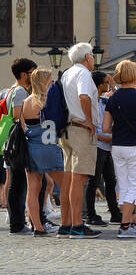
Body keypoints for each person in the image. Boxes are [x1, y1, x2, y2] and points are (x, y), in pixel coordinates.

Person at [102, 60, 136, 239]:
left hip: (117, 146)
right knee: (135, 185)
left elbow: (105, 127)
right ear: (134, 75)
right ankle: (125, 226)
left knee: (124, 185)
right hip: (134, 145)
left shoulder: (113, 98)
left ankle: (126, 223)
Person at [20, 69, 71, 237]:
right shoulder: (49, 100)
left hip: (32, 147)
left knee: (33, 189)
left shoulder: (27, 101)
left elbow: (23, 126)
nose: (52, 82)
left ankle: (37, 226)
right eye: (49, 80)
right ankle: (68, 221)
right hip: (49, 147)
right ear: (44, 81)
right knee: (66, 186)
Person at [57, 43, 99, 236]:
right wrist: (90, 122)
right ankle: (77, 225)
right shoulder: (83, 73)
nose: (92, 58)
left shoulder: (67, 73)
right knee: (79, 179)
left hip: (67, 129)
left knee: (68, 179)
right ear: (87, 57)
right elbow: (84, 97)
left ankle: (66, 224)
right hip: (81, 130)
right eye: (91, 55)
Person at [82, 71, 119, 226]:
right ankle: (89, 214)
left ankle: (115, 213)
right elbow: (95, 132)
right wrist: (113, 138)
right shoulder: (90, 102)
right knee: (94, 181)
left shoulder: (104, 101)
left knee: (110, 181)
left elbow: (119, 101)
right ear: (98, 84)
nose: (107, 84)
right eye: (105, 82)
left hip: (106, 146)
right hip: (96, 145)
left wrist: (113, 85)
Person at [5, 58, 37, 234]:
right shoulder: (20, 92)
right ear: (24, 74)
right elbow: (18, 115)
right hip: (18, 143)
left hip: (11, 142)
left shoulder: (10, 89)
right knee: (17, 184)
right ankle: (17, 224)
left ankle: (17, 222)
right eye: (32, 72)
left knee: (15, 183)